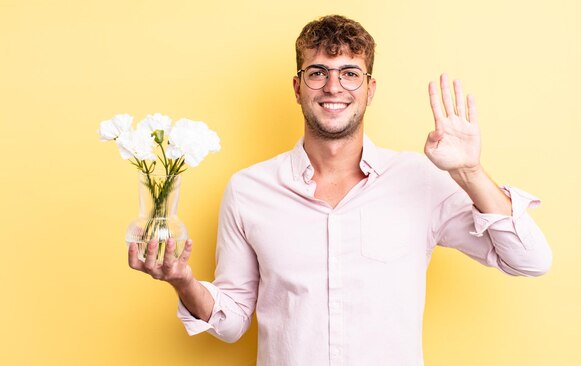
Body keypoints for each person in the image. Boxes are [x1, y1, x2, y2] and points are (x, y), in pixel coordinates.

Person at [128, 15, 552, 366]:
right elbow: (233, 321)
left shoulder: (420, 181)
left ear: (369, 89)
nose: (334, 87)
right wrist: (184, 283)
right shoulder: (248, 190)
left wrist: (471, 171)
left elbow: (529, 260)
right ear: (298, 88)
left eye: (350, 73)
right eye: (318, 73)